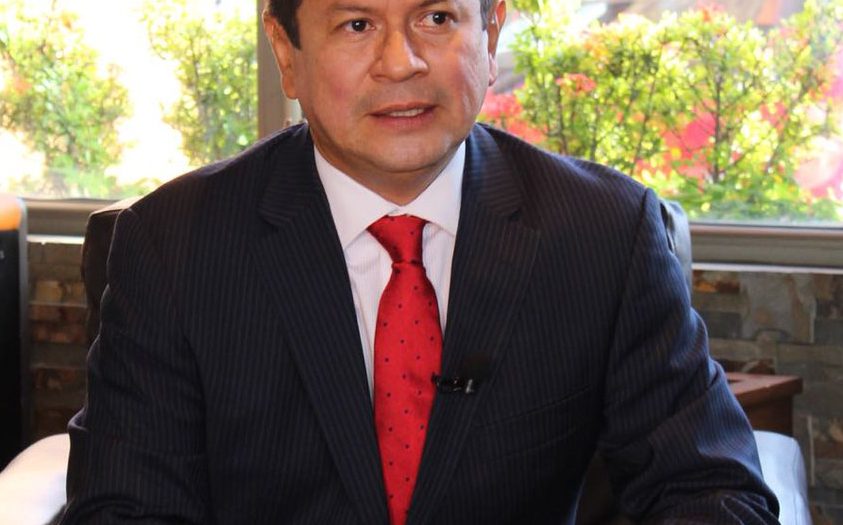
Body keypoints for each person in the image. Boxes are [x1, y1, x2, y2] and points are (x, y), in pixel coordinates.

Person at [62, 0, 779, 523]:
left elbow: (710, 489)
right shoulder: (175, 244)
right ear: (286, 53)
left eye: (436, 18)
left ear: (489, 35)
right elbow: (126, 506)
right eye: (356, 24)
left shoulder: (604, 233)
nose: (400, 62)